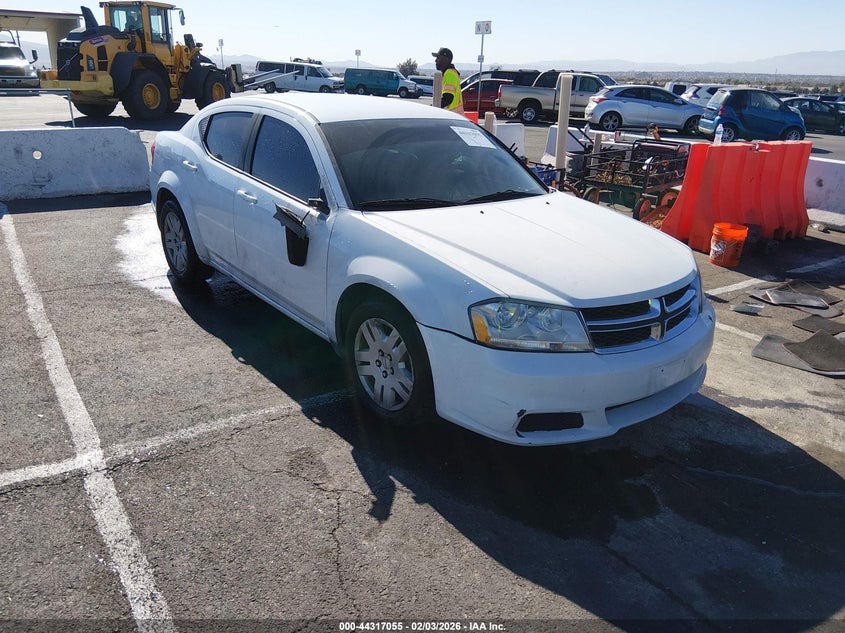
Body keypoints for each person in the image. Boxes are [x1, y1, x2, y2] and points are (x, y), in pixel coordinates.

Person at [432, 47, 463, 114]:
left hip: (451, 117)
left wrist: (432, 108)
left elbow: (447, 99)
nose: (436, 60)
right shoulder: (448, 73)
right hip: (451, 117)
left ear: (446, 59)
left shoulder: (450, 73)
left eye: (438, 57)